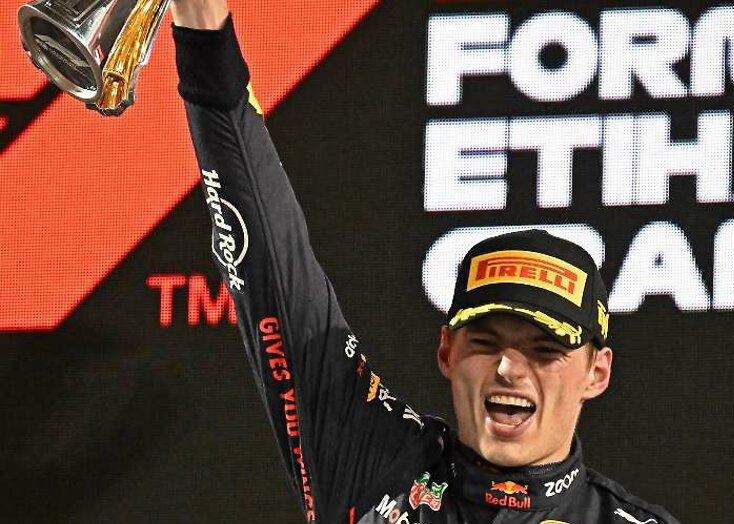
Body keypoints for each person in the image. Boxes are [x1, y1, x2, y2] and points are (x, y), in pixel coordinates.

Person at [170, 1, 680, 523]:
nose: (508, 368)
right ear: (446, 351)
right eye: (485, 342)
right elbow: (273, 264)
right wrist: (203, 34)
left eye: (544, 350)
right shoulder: (379, 468)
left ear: (597, 372)